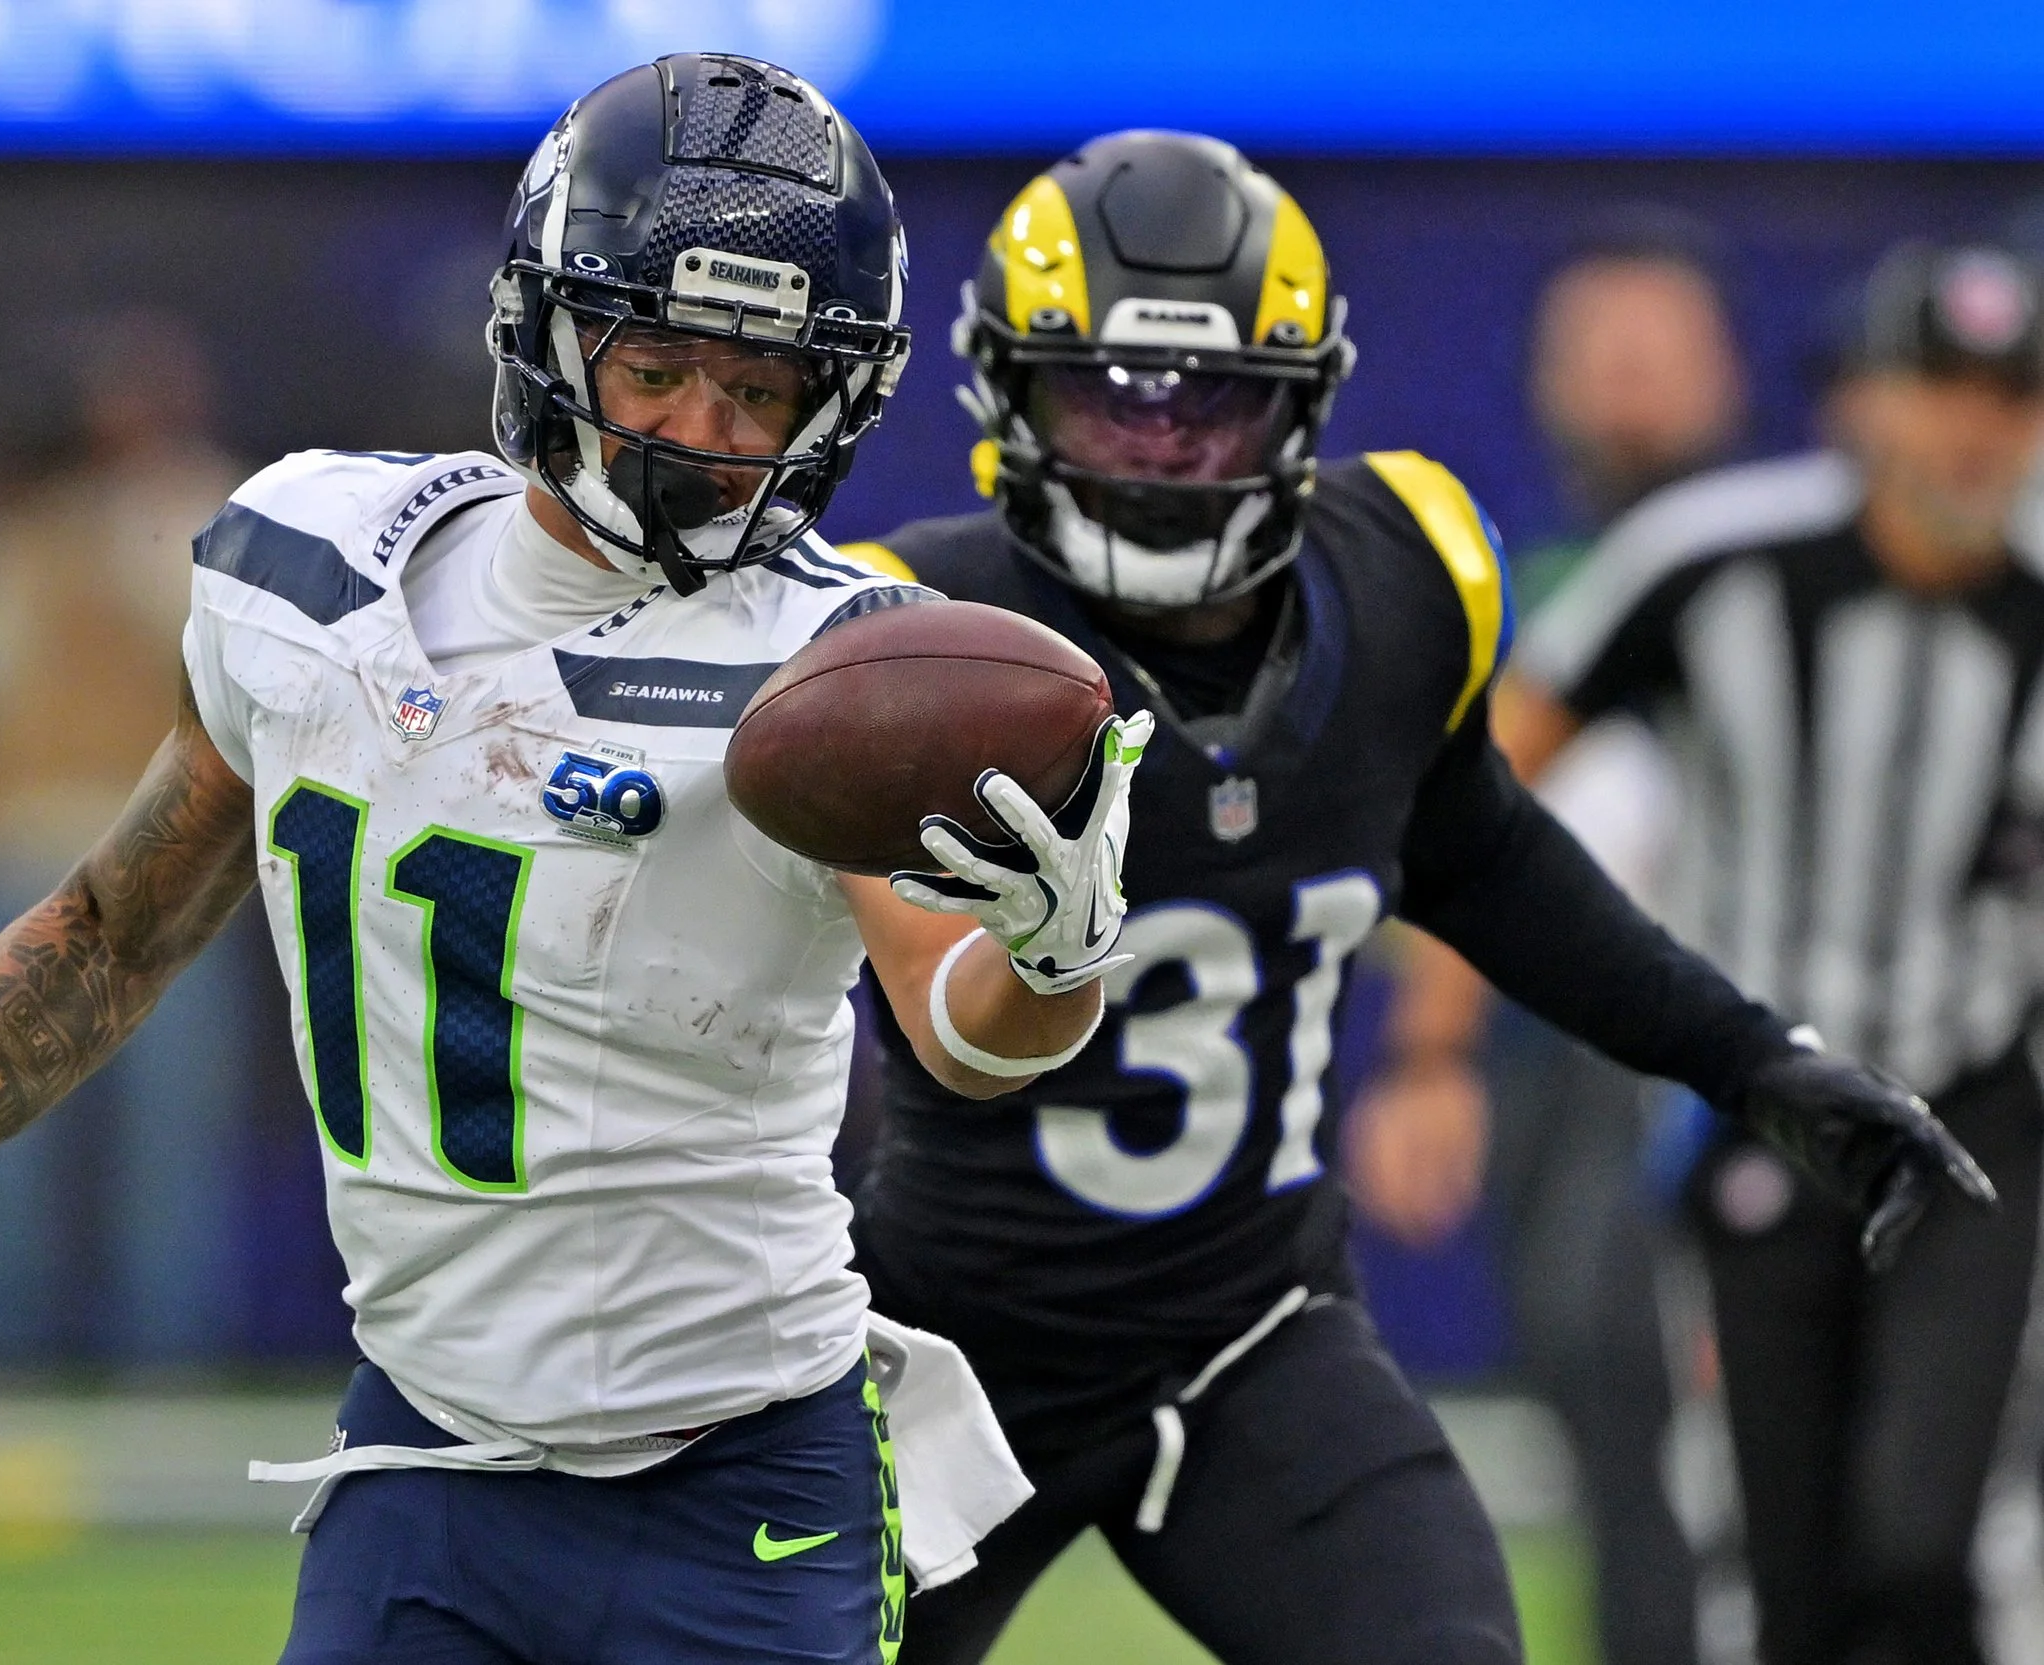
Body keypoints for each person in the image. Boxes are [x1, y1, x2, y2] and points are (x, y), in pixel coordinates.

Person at [0, 55, 1153, 1665]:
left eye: (761, 389)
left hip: (740, 1476)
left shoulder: (837, 667)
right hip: (425, 1452)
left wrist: (1056, 956)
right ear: (554, 332)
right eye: (663, 365)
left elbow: (967, 1031)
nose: (708, 431)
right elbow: (114, 928)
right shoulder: (308, 560)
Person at [838, 132, 1993, 1665]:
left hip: (1253, 1341)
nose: (1163, 453)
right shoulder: (908, 649)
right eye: (1110, 400)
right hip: (948, 1350)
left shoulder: (1401, 580)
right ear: (1009, 398)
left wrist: (1749, 1054)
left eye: (1212, 407)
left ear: (1303, 402)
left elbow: (1493, 865)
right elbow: (934, 1027)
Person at [1391, 239, 2044, 1665]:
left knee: (1930, 1539)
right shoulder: (1713, 565)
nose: (1973, 429)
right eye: (1941, 386)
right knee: (1777, 1553)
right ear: (1858, 403)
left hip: (1985, 1119)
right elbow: (1484, 799)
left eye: (2013, 394)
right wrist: (1429, 1051)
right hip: (1764, 1101)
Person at [1350, 215, 1750, 1665]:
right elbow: (1481, 822)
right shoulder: (1523, 578)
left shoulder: (1763, 563)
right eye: (1603, 349)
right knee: (1607, 1418)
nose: (1631, 381)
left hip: (1733, 1056)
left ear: (1722, 368)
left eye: (1660, 348)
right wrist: (1433, 1053)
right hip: (1557, 1055)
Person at [0, 309, 252, 1368]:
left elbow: (224, 649)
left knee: (169, 1140)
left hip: (160, 860)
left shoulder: (211, 509)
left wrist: (128, 512)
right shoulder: (1, 532)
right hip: (6, 850)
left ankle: (163, 1376)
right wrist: (28, 517)